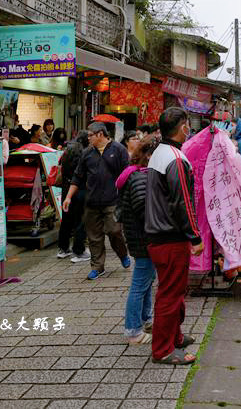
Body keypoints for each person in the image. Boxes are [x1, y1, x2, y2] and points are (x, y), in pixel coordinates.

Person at [145, 107, 203, 364]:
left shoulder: (159, 153)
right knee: (170, 294)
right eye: (187, 125)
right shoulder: (176, 160)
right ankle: (163, 349)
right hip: (170, 237)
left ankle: (174, 336)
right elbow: (183, 203)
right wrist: (195, 237)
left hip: (158, 235)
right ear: (183, 128)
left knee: (173, 291)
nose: (189, 129)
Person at [63, 122, 131, 280]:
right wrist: (68, 197)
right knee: (94, 237)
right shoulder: (87, 153)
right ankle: (97, 267)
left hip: (113, 200)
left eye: (90, 135)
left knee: (114, 231)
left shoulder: (118, 150)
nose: (88, 138)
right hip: (92, 202)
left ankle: (122, 255)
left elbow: (127, 174)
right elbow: (78, 177)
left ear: (100, 134)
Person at [116, 134, 159, 344]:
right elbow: (144, 210)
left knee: (147, 280)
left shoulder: (136, 173)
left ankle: (146, 318)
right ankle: (133, 330)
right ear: (150, 156)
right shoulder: (141, 177)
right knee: (140, 283)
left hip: (139, 237)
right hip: (144, 238)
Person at [56, 131, 90, 261]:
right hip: (80, 189)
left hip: (66, 189)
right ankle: (79, 251)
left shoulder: (66, 151)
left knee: (66, 219)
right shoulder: (85, 152)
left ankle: (63, 249)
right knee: (80, 221)